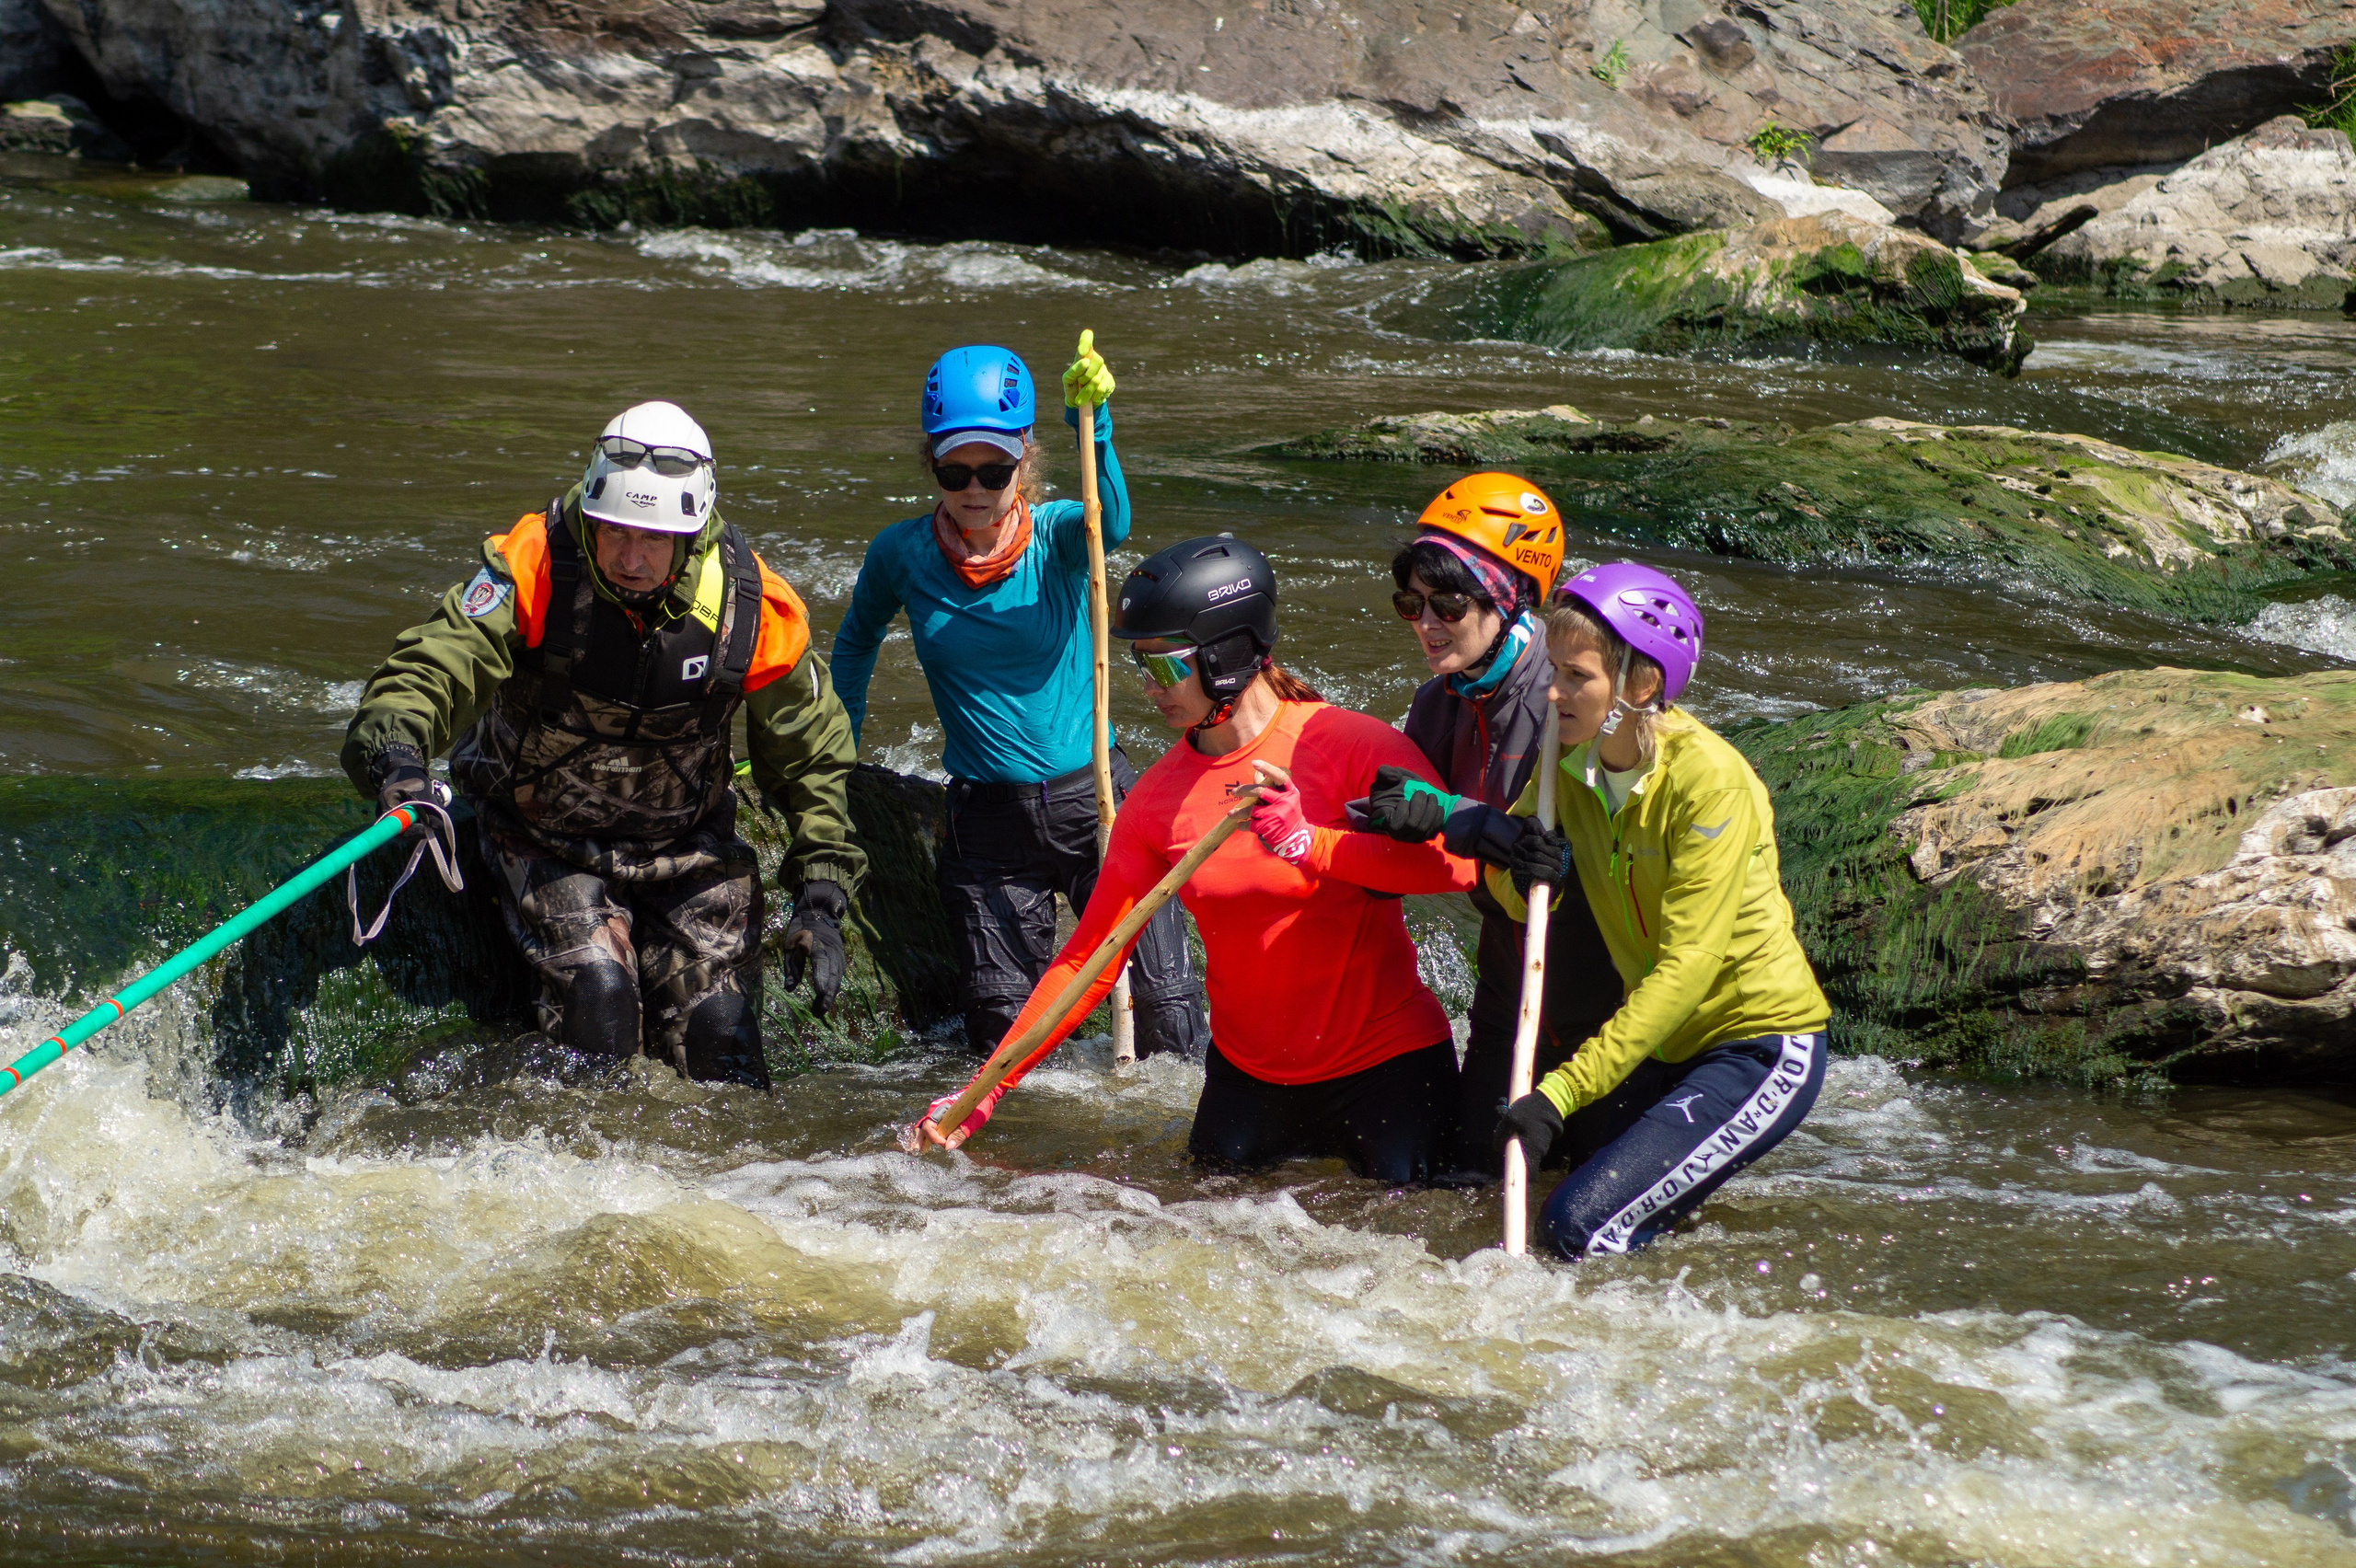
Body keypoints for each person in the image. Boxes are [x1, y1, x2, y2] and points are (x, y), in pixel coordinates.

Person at [916, 536, 1472, 1184]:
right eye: (1140, 666)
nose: (1151, 689)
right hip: (1248, 1080)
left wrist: (1312, 847)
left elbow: (1457, 869)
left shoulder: (1349, 744)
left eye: (1165, 666)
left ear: (1230, 652)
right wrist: (986, 1089)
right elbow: (1088, 957)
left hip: (1386, 1068)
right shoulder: (1156, 801)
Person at [341, 400, 865, 1087]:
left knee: (723, 1036)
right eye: (614, 532)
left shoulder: (754, 607)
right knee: (602, 1001)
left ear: (692, 534)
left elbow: (812, 754)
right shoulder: (531, 562)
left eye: (653, 540)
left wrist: (822, 894)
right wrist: (399, 756)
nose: (630, 558)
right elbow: (435, 664)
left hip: (688, 846)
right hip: (540, 835)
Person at [1319, 562, 1831, 1259]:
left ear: (1641, 684)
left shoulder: (1710, 781)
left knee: (1576, 1227)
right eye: (1554, 669)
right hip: (1661, 1046)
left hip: (1755, 1044)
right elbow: (1515, 900)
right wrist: (1536, 876)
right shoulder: (1566, 762)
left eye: (1577, 677)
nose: (1552, 690)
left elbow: (1689, 967)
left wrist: (1559, 1093)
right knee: (1503, 1202)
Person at [831, 336, 1207, 1061]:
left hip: (1093, 802)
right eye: (955, 469)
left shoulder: (1065, 534)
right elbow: (854, 641)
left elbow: (1116, 524)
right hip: (986, 828)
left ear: (1024, 457)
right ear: (932, 463)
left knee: (1169, 1019)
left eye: (995, 469)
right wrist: (840, 740)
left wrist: (1092, 422)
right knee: (1004, 1040)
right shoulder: (900, 554)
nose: (975, 487)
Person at [1357, 474, 1620, 1180]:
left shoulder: (1568, 698)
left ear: (1510, 600)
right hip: (1508, 988)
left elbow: (1588, 866)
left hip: (1604, 1002)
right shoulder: (1435, 704)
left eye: (1447, 603)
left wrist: (1463, 823)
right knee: (1465, 1178)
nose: (1425, 623)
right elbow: (1429, 833)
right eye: (1410, 603)